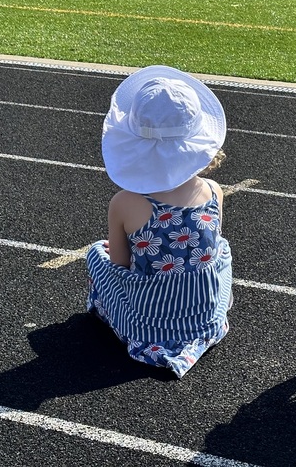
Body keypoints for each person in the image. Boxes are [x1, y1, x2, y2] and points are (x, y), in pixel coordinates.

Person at [86, 65, 233, 378]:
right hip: (205, 317)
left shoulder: (125, 204)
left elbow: (120, 265)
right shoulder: (212, 191)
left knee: (98, 253)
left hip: (148, 325)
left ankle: (112, 317)